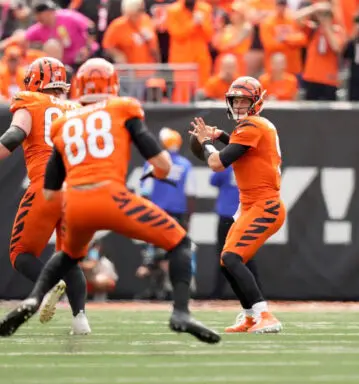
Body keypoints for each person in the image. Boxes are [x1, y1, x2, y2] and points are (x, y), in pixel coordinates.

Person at [0, 58, 220, 345]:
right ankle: (83, 319)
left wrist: (50, 198)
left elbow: (16, 137)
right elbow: (158, 161)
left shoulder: (52, 114)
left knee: (27, 253)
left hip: (60, 192)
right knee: (77, 255)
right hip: (98, 191)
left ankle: (37, 296)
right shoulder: (100, 108)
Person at [0, 56, 90, 335]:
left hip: (45, 185)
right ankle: (80, 320)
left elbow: (15, 135)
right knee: (68, 256)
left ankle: (49, 286)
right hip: (77, 188)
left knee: (21, 254)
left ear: (35, 80)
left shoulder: (30, 101)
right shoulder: (77, 108)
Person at [189, 76, 285, 334]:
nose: (240, 106)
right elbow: (240, 146)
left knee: (232, 257)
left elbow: (218, 163)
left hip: (265, 206)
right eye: (236, 101)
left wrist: (206, 143)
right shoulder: (254, 127)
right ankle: (250, 316)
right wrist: (220, 135)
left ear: (256, 102)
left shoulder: (251, 126)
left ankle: (265, 314)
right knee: (227, 260)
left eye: (245, 101)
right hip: (252, 205)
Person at [137, 127, 197, 300]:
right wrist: (188, 219)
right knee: (175, 252)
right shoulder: (186, 165)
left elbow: (145, 191)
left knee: (153, 251)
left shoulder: (153, 162)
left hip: (156, 213)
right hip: (177, 215)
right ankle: (172, 290)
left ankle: (155, 290)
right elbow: (191, 194)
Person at [209, 165, 262, 299]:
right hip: (244, 214)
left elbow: (214, 180)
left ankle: (218, 292)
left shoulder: (226, 165)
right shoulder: (252, 166)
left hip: (228, 215)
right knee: (245, 254)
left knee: (224, 254)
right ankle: (256, 292)